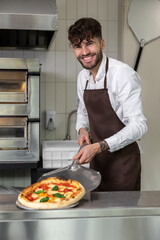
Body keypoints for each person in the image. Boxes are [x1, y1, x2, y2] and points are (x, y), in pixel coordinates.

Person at [68, 18, 147, 191]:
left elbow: (139, 125)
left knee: (121, 217)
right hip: (97, 166)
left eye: (89, 43)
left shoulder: (122, 74)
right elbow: (82, 112)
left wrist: (99, 146)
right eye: (77, 46)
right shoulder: (83, 77)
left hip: (124, 166)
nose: (85, 52)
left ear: (102, 43)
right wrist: (82, 130)